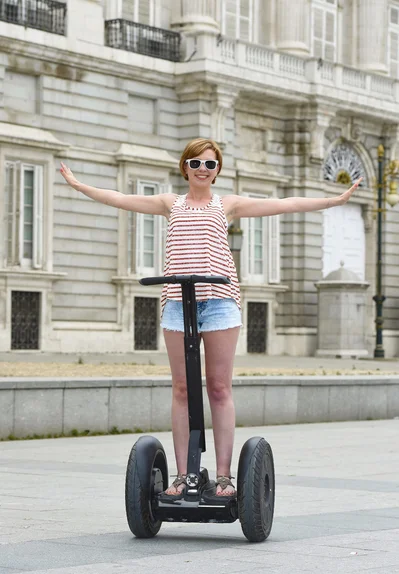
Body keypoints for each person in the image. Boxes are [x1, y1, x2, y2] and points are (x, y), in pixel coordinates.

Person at [60, 138, 362, 499]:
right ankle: (184, 475)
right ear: (184, 167)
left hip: (219, 302)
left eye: (210, 164)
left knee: (219, 388)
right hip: (176, 302)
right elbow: (120, 198)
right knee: (182, 389)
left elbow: (283, 204)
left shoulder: (227, 205)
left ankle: (223, 477)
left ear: (217, 171)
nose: (202, 170)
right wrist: (79, 186)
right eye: (196, 163)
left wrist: (334, 200)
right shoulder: (168, 203)